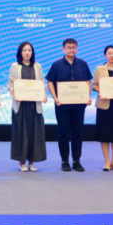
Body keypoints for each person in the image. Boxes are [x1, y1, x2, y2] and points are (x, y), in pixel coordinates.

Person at [46, 38, 93, 172]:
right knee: (63, 133)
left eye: (74, 47)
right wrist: (55, 98)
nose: (71, 49)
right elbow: (50, 81)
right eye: (68, 47)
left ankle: (76, 161)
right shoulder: (57, 64)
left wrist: (87, 96)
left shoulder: (83, 64)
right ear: (63, 49)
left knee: (77, 133)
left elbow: (87, 82)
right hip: (62, 105)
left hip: (79, 105)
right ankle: (64, 161)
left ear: (77, 48)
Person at [8, 42, 47, 172]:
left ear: (32, 52)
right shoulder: (15, 66)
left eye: (29, 50)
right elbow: (10, 85)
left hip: (34, 106)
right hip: (21, 106)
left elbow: (41, 84)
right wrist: (14, 95)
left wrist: (43, 96)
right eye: (24, 50)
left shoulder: (37, 66)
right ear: (20, 52)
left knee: (34, 134)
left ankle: (31, 162)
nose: (27, 52)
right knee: (21, 134)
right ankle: (22, 162)